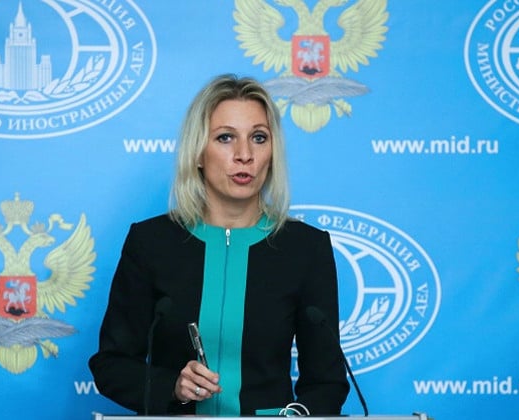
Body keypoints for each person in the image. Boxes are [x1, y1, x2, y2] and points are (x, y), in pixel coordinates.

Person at [88, 74, 350, 416]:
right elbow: (112, 365)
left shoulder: (306, 248)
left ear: (273, 152)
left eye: (259, 138)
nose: (244, 155)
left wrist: (294, 416)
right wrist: (173, 387)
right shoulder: (150, 242)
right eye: (225, 137)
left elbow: (327, 381)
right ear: (198, 152)